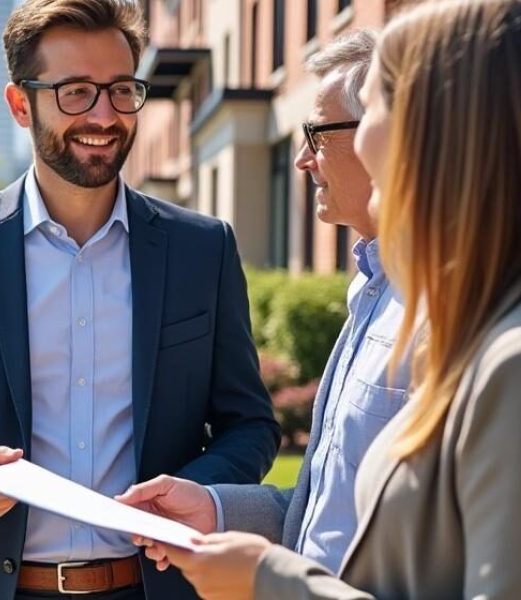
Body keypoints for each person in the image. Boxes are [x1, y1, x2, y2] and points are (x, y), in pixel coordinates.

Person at [132, 1, 521, 598]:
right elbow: (382, 531)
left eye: (380, 106)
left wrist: (267, 581)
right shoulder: (480, 328)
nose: (318, 155)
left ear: (448, 134)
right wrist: (229, 517)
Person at [0, 1, 279, 598]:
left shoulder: (202, 249)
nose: (104, 115)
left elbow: (250, 425)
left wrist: (199, 494)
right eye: (76, 91)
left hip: (157, 586)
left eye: (121, 90)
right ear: (20, 104)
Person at [116, 30, 407, 576]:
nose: (302, 159)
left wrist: (269, 583)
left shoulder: (445, 313)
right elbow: (333, 507)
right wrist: (217, 508)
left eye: (316, 134)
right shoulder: (371, 291)